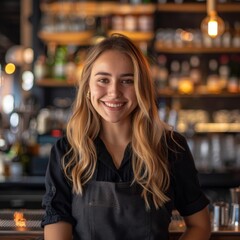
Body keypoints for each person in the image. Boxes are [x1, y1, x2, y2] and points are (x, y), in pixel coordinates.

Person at [41, 34, 211, 240]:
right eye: (103, 80)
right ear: (87, 87)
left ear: (141, 88)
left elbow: (200, 226)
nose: (114, 92)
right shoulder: (67, 150)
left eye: (127, 81)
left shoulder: (171, 147)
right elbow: (57, 222)